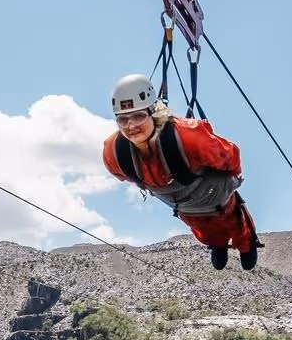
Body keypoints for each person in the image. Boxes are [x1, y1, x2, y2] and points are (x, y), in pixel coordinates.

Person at [100, 73, 259, 270]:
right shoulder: (115, 152)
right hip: (185, 206)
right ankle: (218, 244)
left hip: (214, 194)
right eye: (122, 120)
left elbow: (229, 156)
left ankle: (246, 243)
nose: (131, 126)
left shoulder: (188, 137)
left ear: (154, 112)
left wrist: (232, 179)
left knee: (232, 220)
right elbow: (123, 174)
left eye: (138, 116)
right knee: (202, 229)